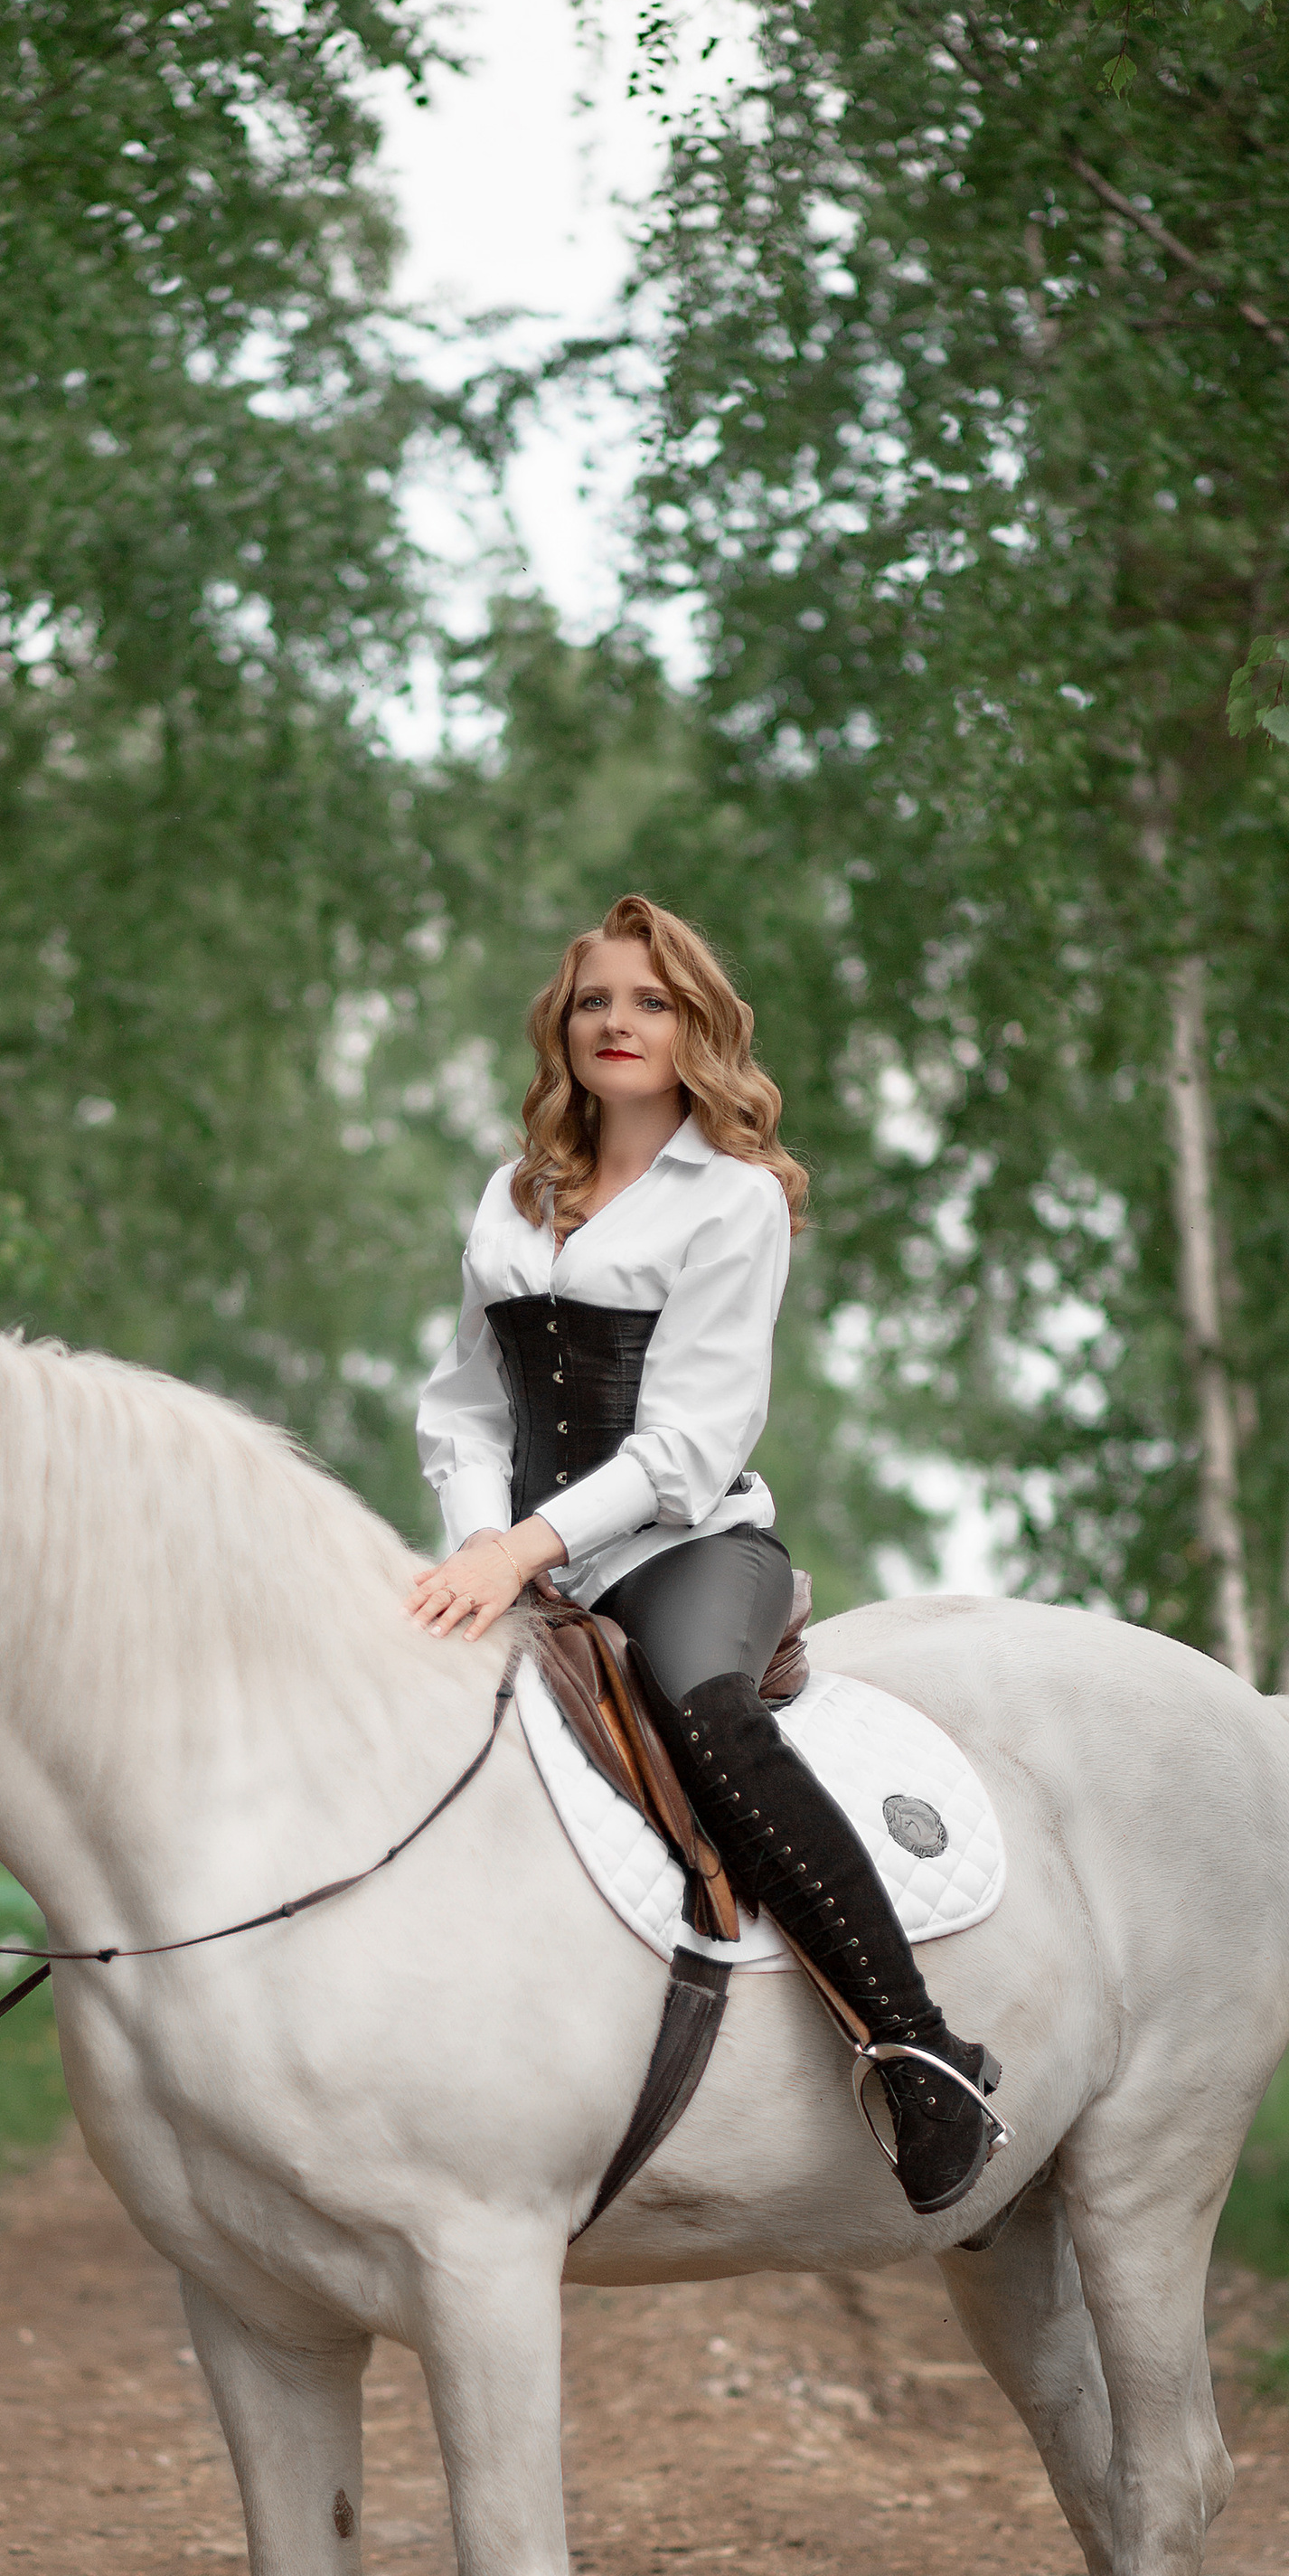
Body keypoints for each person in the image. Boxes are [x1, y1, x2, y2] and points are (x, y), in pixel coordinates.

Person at [409, 892, 1002, 2218]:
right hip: (514, 1549)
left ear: (697, 1030)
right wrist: (476, 1552)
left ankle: (921, 2054)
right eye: (594, 1000)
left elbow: (687, 1445)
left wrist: (526, 1550)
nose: (618, 1023)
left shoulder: (730, 1202)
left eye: (650, 1001)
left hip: (682, 1545)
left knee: (707, 1716)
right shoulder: (511, 1201)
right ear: (560, 1027)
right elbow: (462, 1407)